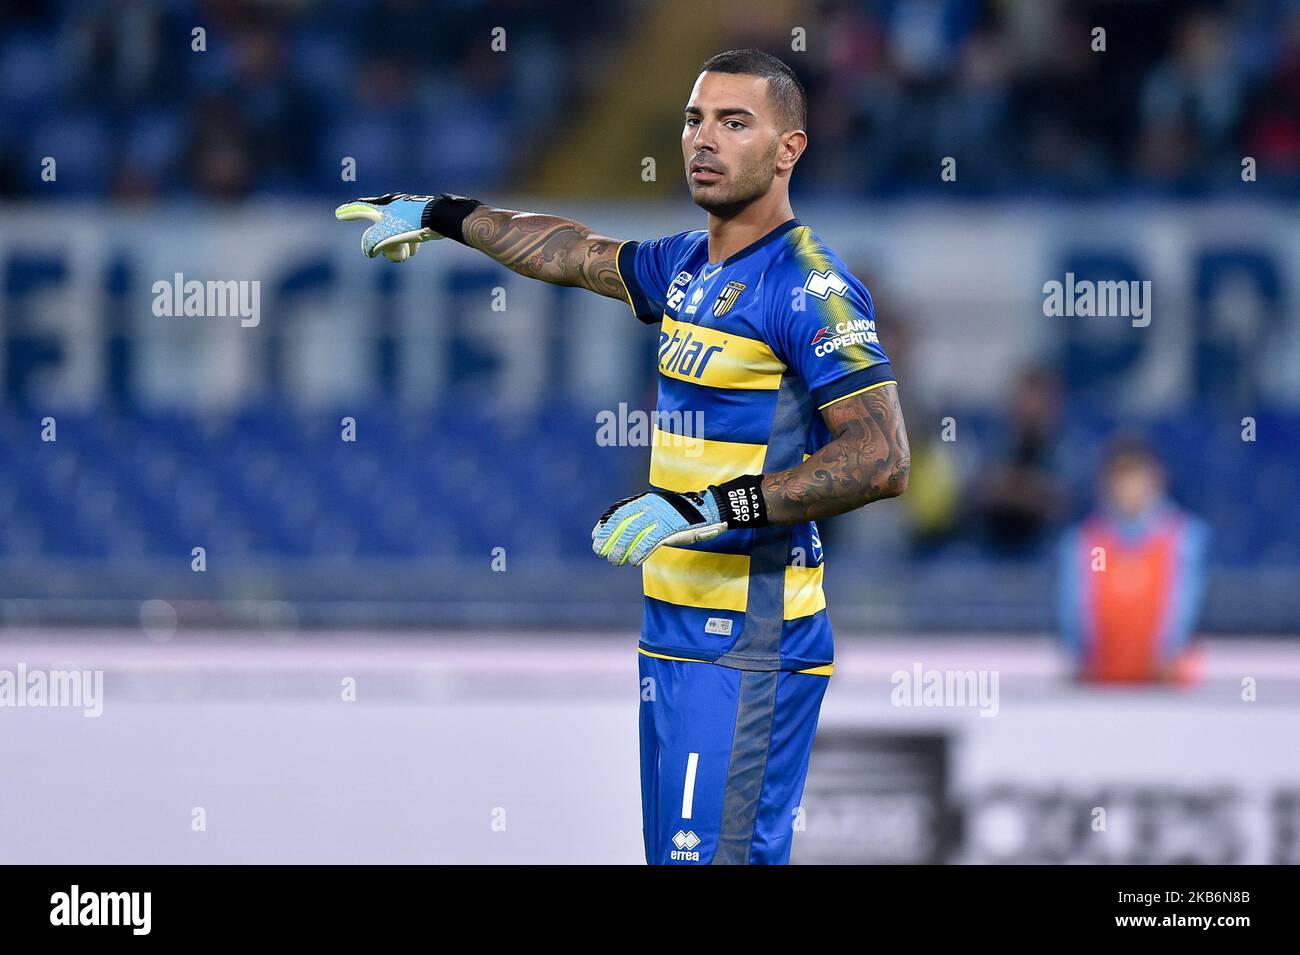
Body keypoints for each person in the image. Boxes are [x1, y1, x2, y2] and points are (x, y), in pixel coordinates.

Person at [336, 49, 910, 864]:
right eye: (694, 118)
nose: (703, 140)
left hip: (746, 643)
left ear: (790, 149)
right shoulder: (685, 265)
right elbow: (570, 250)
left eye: (734, 122)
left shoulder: (808, 285)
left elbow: (882, 456)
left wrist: (707, 507)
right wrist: (444, 213)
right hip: (670, 638)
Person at [1058, 436, 1209, 684]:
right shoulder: (1089, 544)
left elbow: (1182, 603)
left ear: (1156, 480)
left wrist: (1165, 654)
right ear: (1105, 484)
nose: (1129, 487)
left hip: (1164, 683)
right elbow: (1080, 605)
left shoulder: (1183, 539)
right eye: (1121, 478)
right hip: (1100, 680)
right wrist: (1088, 657)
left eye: (1136, 477)